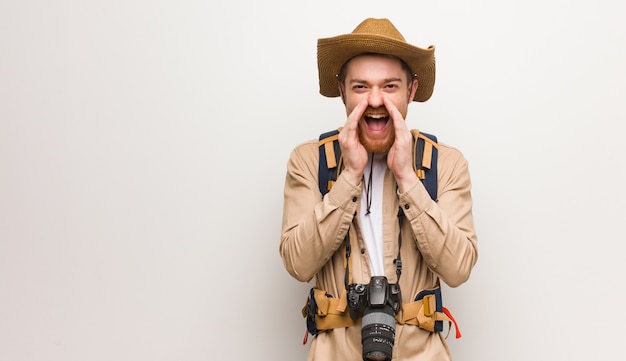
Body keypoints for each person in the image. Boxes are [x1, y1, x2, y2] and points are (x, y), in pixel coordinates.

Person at [279, 18, 478, 361]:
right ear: (341, 90)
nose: (375, 100)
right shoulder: (309, 161)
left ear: (411, 90)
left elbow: (459, 268)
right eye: (360, 87)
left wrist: (407, 179)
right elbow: (298, 263)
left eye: (389, 86)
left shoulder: (446, 164)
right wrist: (349, 176)